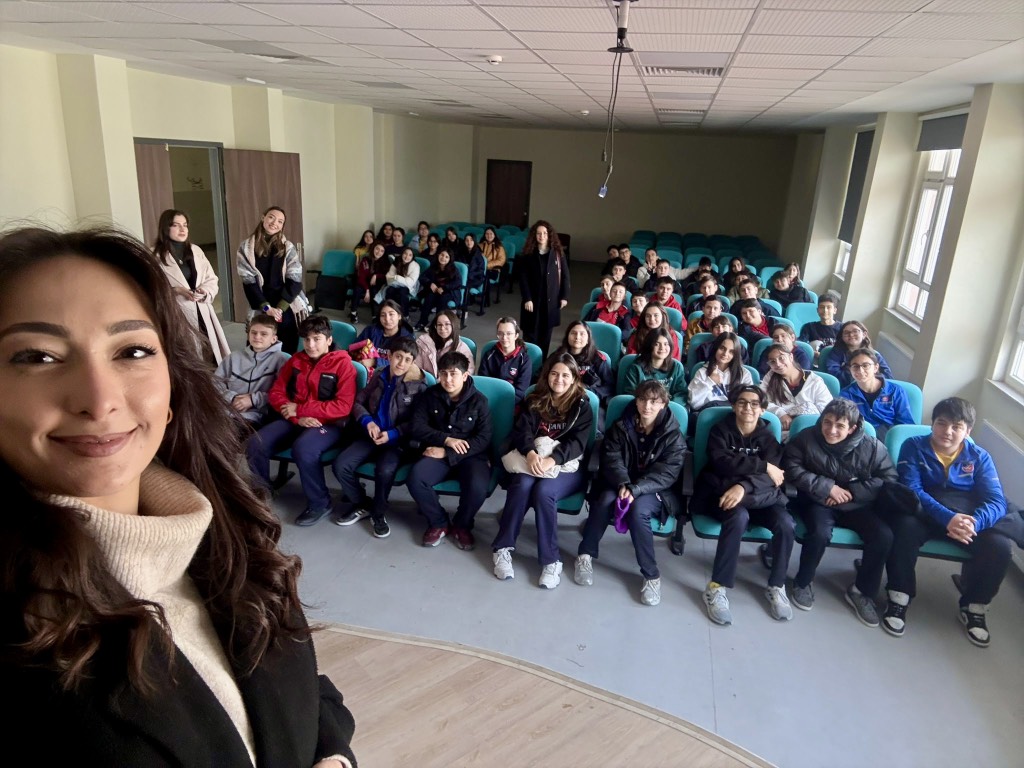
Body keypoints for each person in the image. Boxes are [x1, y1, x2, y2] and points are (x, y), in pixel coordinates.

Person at [0, 226, 356, 766]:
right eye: (38, 357)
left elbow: (305, 691)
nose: (99, 399)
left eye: (133, 350)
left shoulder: (225, 532)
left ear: (172, 388)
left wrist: (334, 755)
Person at [885, 397, 1024, 646]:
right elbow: (913, 489)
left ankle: (974, 606)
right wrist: (948, 518)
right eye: (942, 423)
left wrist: (974, 523)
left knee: (1000, 546)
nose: (947, 431)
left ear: (968, 431)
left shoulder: (980, 457)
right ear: (932, 424)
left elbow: (996, 500)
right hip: (925, 512)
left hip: (967, 517)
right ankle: (899, 596)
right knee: (904, 529)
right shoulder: (913, 446)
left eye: (957, 426)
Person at [782, 398, 898, 625]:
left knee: (883, 536)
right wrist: (827, 487)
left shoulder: (872, 446)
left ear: (852, 428)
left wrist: (852, 492)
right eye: (827, 422)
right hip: (819, 501)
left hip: (856, 504)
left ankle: (861, 591)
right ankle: (803, 582)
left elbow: (889, 478)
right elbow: (790, 467)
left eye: (840, 425)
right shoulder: (806, 438)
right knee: (819, 533)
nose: (831, 430)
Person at [575, 380, 685, 604]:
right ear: (636, 401)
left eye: (654, 401)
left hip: (653, 489)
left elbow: (667, 474)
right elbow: (612, 458)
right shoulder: (621, 426)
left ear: (663, 404)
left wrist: (636, 488)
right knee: (604, 500)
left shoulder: (673, 435)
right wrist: (623, 483)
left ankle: (651, 575)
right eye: (642, 400)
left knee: (638, 511)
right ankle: (585, 554)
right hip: (620, 482)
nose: (647, 406)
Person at [693, 384, 795, 625]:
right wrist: (762, 466)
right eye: (742, 402)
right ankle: (717, 587)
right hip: (722, 495)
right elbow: (721, 464)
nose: (748, 407)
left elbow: (775, 478)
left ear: (762, 409)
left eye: (754, 404)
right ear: (733, 406)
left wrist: (743, 486)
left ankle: (777, 585)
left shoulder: (769, 438)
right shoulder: (720, 430)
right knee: (738, 518)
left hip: (757, 497)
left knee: (786, 523)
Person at [492, 353, 593, 588]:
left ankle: (551, 560)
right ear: (547, 375)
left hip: (565, 466)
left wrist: (553, 460)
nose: (559, 379)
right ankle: (502, 547)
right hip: (533, 458)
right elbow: (522, 431)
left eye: (565, 375)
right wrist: (530, 453)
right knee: (522, 484)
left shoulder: (582, 406)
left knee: (544, 491)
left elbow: (578, 443)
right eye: (554, 374)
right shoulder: (535, 399)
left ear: (574, 378)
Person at [247, 314, 357, 526]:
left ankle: (321, 502)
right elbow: (276, 393)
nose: (310, 345)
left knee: (304, 449)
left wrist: (301, 409)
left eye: (317, 339)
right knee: (256, 442)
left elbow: (343, 407)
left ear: (329, 340)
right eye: (306, 339)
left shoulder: (343, 365)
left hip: (328, 423)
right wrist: (296, 416)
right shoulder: (296, 360)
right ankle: (261, 493)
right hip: (294, 419)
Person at [332, 336, 426, 539]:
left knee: (385, 470)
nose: (401, 363)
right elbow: (358, 402)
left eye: (407, 360)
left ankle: (378, 512)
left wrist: (393, 433)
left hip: (396, 441)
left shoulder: (417, 386)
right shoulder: (380, 375)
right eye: (398, 357)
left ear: (412, 362)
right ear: (389, 356)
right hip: (370, 434)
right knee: (341, 465)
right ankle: (361, 503)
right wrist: (368, 421)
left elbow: (417, 422)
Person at [407, 351, 492, 549]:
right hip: (438, 450)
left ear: (465, 375)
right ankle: (439, 522)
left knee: (478, 487)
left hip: (470, 455)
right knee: (416, 478)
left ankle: (462, 525)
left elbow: (483, 438)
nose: (448, 379)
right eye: (444, 374)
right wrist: (446, 440)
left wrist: (448, 452)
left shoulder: (479, 401)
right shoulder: (430, 395)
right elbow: (416, 427)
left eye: (453, 374)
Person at [153, 209, 230, 364]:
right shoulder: (155, 256)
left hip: (202, 309)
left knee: (210, 354)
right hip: (177, 312)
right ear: (165, 228)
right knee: (187, 357)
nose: (182, 229)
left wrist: (204, 291)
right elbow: (151, 289)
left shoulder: (195, 250)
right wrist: (176, 291)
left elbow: (211, 278)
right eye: (176, 225)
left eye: (185, 225)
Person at [236, 206, 310, 354]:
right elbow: (249, 281)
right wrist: (266, 308)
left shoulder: (287, 247)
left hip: (286, 303)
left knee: (287, 345)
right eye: (271, 217)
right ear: (263, 217)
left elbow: (295, 280)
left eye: (280, 221)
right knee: (258, 343)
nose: (275, 223)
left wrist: (280, 308)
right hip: (260, 302)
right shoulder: (246, 247)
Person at [214, 312, 289, 428]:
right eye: (253, 332)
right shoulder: (233, 357)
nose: (257, 337)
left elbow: (285, 393)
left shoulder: (282, 360)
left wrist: (253, 400)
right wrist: (232, 398)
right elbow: (215, 383)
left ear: (273, 339)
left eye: (263, 334)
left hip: (257, 416)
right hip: (226, 410)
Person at [519, 219, 570, 358]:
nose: (541, 236)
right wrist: (527, 298)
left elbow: (565, 276)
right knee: (530, 335)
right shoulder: (528, 253)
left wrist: (564, 296)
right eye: (538, 233)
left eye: (545, 233)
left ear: (549, 235)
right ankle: (528, 362)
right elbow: (523, 279)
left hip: (551, 301)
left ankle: (542, 364)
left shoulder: (557, 253)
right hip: (532, 301)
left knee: (545, 336)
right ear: (534, 235)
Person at [838, 349, 913, 440]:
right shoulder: (845, 394)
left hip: (889, 439)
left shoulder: (896, 391)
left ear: (876, 368)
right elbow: (845, 424)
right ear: (850, 370)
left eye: (866, 365)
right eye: (855, 366)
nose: (860, 370)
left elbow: (906, 424)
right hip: (861, 439)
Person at [759, 343, 833, 436]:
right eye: (772, 361)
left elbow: (826, 409)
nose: (778, 364)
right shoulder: (770, 377)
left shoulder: (815, 381)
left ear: (791, 357)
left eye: (781, 358)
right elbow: (761, 400)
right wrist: (780, 413)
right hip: (782, 430)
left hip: (810, 430)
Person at [688, 332, 753, 412]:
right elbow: (694, 404)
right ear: (715, 348)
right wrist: (710, 381)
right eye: (722, 348)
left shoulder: (744, 374)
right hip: (710, 414)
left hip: (734, 414)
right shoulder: (702, 372)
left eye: (731, 351)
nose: (725, 354)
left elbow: (749, 402)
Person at [623, 329, 688, 407]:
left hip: (668, 409)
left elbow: (681, 394)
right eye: (657, 344)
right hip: (644, 409)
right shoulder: (635, 368)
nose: (662, 348)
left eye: (666, 344)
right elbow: (631, 395)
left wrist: (666, 407)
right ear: (649, 346)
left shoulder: (676, 367)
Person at [555, 321, 615, 405]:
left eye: (582, 334)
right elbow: (544, 375)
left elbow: (609, 386)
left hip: (588, 400)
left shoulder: (597, 358)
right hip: (560, 397)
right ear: (567, 336)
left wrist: (589, 392)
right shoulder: (558, 355)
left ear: (588, 339)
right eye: (573, 333)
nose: (577, 337)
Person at [478, 316, 532, 404]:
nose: (504, 337)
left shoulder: (524, 360)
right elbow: (483, 383)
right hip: (489, 400)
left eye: (509, 333)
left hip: (512, 403)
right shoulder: (489, 355)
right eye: (500, 333)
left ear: (516, 335)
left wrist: (502, 404)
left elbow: (520, 391)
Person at [353, 300, 414, 372]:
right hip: (365, 370)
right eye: (383, 315)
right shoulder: (370, 330)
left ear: (399, 316)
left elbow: (404, 364)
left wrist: (375, 361)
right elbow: (354, 349)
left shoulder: (407, 338)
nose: (387, 319)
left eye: (391, 314)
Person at [826, 321, 893, 387]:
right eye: (846, 333)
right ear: (842, 337)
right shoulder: (836, 353)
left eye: (855, 331)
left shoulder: (874, 354)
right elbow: (834, 374)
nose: (851, 335)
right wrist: (857, 377)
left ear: (864, 334)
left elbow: (888, 376)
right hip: (846, 388)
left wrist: (868, 379)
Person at [415, 309, 475, 378]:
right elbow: (416, 368)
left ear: (453, 325)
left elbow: (468, 373)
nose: (442, 328)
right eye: (439, 325)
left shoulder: (462, 348)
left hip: (450, 383)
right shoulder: (423, 343)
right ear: (435, 326)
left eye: (447, 324)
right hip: (426, 382)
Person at [416, 249, 463, 331]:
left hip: (449, 292)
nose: (443, 258)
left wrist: (444, 288)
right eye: (442, 255)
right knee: (429, 297)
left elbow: (458, 283)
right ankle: (422, 321)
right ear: (438, 255)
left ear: (450, 259)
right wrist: (430, 283)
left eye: (446, 257)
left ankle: (436, 323)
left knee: (442, 299)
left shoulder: (454, 269)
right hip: (436, 291)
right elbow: (422, 277)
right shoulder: (434, 266)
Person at [352, 242, 390, 323]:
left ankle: (374, 316)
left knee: (374, 291)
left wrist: (376, 276)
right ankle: (353, 313)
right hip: (364, 283)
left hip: (377, 284)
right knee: (357, 289)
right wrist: (367, 290)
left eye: (382, 251)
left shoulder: (386, 262)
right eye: (377, 249)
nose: (379, 252)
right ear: (373, 249)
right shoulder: (366, 259)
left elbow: (387, 276)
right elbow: (361, 277)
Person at [799, 294, 843, 361]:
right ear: (817, 310)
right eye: (822, 307)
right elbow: (801, 345)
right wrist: (812, 352)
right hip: (814, 361)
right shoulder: (809, 327)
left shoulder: (843, 328)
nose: (825, 310)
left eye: (829, 307)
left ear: (835, 310)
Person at [383, 246, 420, 316]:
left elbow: (411, 282)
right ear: (402, 254)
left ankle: (405, 315)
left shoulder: (415, 266)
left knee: (402, 292)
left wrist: (397, 278)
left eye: (410, 255)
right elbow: (389, 276)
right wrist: (395, 279)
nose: (407, 256)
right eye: (405, 253)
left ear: (412, 257)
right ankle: (390, 312)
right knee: (389, 290)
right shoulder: (397, 261)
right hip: (395, 284)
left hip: (408, 286)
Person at [463, 233, 488, 313]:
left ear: (474, 241)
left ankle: (464, 310)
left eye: (471, 240)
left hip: (476, 278)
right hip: (465, 277)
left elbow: (481, 270)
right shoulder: (462, 252)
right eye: (467, 240)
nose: (469, 242)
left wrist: (470, 275)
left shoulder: (478, 253)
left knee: (465, 286)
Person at [481, 226, 507, 292]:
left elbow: (501, 260)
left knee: (484, 277)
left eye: (491, 234)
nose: (489, 236)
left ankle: (485, 296)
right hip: (480, 269)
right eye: (487, 234)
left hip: (493, 270)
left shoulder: (499, 247)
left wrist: (486, 265)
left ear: (494, 235)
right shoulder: (480, 245)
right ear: (484, 235)